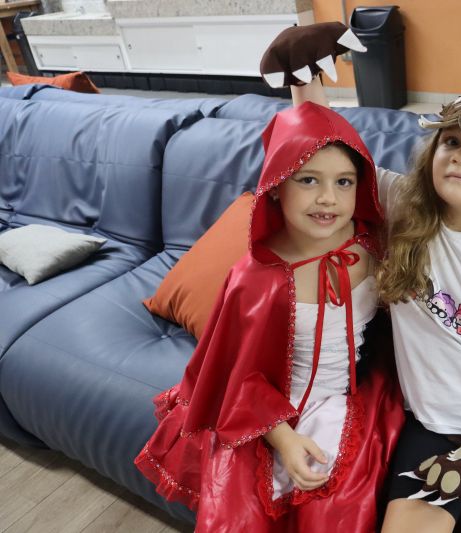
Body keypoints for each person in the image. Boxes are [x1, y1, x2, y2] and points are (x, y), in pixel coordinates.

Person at [262, 22, 461, 533]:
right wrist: (305, 78)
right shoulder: (400, 209)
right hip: (434, 434)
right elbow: (324, 152)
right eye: (450, 140)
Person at [134, 94, 404, 532]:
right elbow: (236, 374)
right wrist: (283, 437)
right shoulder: (256, 278)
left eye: (344, 182)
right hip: (269, 413)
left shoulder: (370, 246)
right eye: (308, 180)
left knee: (336, 512)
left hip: (353, 398)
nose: (328, 198)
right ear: (276, 185)